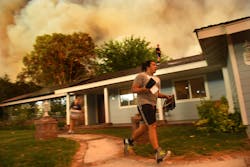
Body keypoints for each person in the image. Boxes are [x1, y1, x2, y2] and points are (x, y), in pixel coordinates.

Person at [124, 60, 173, 163]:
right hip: (144, 104)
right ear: (147, 66)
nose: (156, 66)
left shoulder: (157, 79)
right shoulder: (141, 76)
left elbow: (155, 92)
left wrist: (165, 96)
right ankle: (158, 152)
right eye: (154, 65)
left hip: (153, 105)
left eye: (156, 65)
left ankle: (129, 141)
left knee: (145, 127)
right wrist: (145, 89)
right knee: (152, 126)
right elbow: (134, 89)